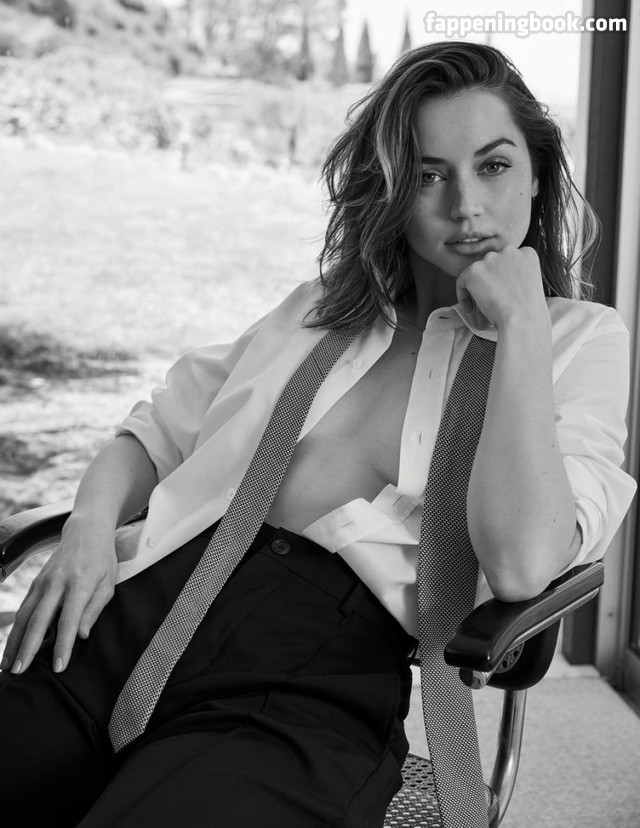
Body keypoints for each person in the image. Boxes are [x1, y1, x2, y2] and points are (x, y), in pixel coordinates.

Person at [0, 42, 636, 828]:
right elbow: (153, 432)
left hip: (303, 687)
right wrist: (90, 528)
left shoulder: (578, 341)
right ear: (392, 191)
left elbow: (523, 562)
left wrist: (523, 329)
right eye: (429, 175)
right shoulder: (319, 309)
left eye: (494, 166)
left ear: (537, 174)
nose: (467, 206)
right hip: (127, 620)